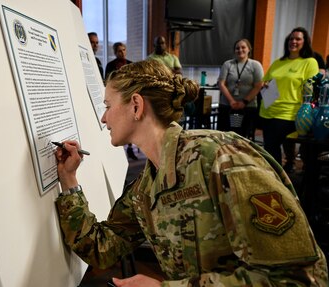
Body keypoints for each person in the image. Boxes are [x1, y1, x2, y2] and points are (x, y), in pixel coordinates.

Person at [54, 59, 328, 287]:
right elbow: (102, 248)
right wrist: (69, 179)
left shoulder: (224, 160)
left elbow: (301, 278)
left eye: (108, 106)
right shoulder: (145, 188)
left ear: (136, 106)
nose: (104, 118)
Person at [259, 27, 319, 170]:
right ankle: (275, 178)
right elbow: (264, 81)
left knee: (272, 148)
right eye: (291, 39)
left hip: (289, 114)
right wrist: (265, 85)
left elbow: (312, 90)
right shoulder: (278, 62)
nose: (294, 41)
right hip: (268, 111)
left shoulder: (309, 62)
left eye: (298, 39)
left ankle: (279, 179)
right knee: (269, 149)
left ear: (305, 42)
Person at [218, 39, 263, 139]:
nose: (240, 50)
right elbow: (221, 83)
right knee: (227, 135)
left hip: (248, 107)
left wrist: (244, 102)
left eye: (243, 47)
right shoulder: (228, 64)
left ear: (249, 49)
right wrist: (232, 102)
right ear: (234, 50)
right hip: (228, 106)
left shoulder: (255, 65)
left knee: (243, 137)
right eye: (237, 48)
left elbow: (258, 85)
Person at [104, 42, 136, 160]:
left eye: (124, 50)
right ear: (115, 52)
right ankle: (117, 154)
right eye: (119, 51)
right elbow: (107, 82)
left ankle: (130, 148)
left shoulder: (131, 64)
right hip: (115, 98)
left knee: (130, 122)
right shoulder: (110, 65)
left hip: (128, 96)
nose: (122, 52)